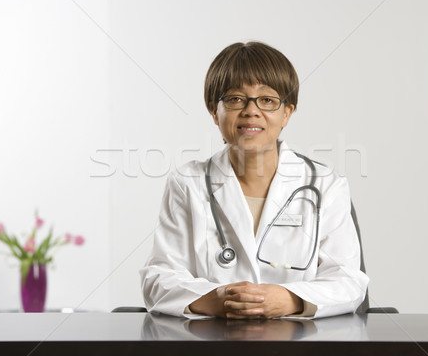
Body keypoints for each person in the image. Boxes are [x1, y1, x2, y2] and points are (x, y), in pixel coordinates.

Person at [140, 41, 369, 319]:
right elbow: (159, 278)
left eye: (267, 100)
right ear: (215, 111)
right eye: (235, 99)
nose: (251, 111)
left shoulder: (326, 184)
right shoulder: (187, 182)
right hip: (211, 344)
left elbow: (348, 282)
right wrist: (218, 299)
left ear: (287, 113)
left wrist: (290, 300)